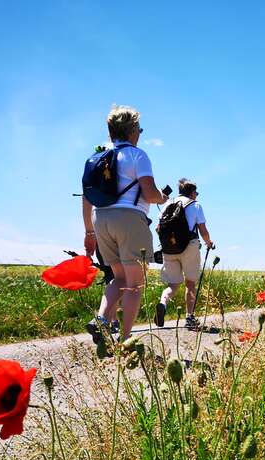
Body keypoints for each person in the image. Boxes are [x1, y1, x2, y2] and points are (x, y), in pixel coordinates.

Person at [83, 105, 168, 341]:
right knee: (134, 284)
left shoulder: (97, 157)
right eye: (139, 129)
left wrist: (89, 232)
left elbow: (87, 198)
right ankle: (125, 339)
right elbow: (149, 194)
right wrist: (163, 197)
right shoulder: (137, 155)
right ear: (132, 130)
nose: (140, 133)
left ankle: (101, 319)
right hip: (130, 218)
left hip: (101, 219)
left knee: (118, 277)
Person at [154, 179, 214, 330]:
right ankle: (189, 317)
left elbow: (158, 228)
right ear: (192, 192)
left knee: (173, 284)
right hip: (189, 246)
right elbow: (203, 230)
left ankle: (163, 303)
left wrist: (171, 241)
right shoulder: (195, 205)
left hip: (169, 249)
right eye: (196, 192)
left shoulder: (168, 204)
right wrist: (209, 243)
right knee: (190, 283)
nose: (197, 195)